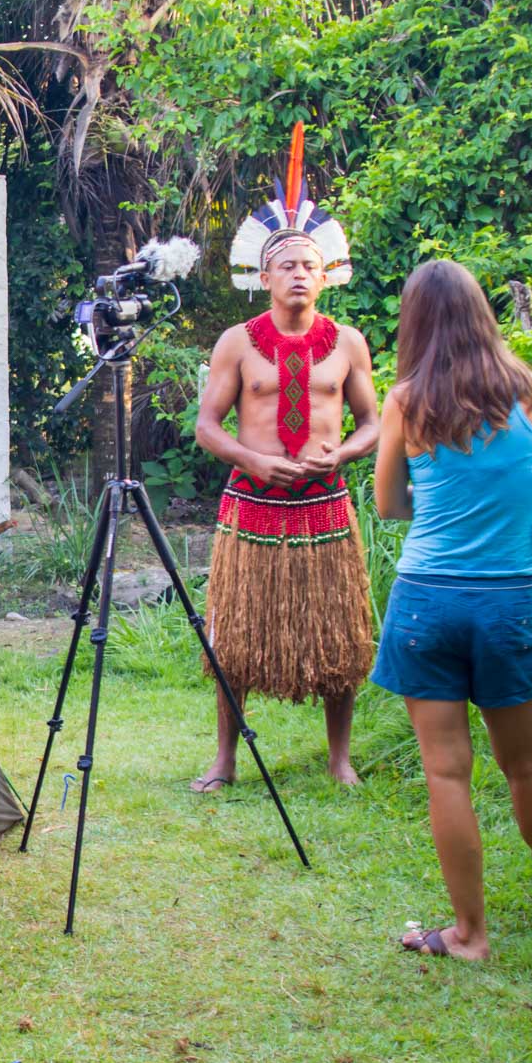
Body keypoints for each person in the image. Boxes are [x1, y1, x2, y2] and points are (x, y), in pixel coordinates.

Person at [372, 259, 532, 960]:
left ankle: (469, 934)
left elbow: (388, 507)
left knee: (447, 771)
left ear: (414, 322)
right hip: (507, 600)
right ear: (482, 313)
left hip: (426, 603)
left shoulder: (407, 400)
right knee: (527, 767)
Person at [192, 125, 378, 792]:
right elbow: (207, 427)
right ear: (264, 276)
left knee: (339, 636)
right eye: (288, 265)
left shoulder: (349, 343)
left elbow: (373, 424)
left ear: (325, 275)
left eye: (309, 265)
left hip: (326, 506)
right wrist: (253, 459)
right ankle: (225, 759)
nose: (299, 274)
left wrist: (343, 456)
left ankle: (339, 759)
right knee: (235, 639)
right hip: (252, 506)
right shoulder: (237, 343)